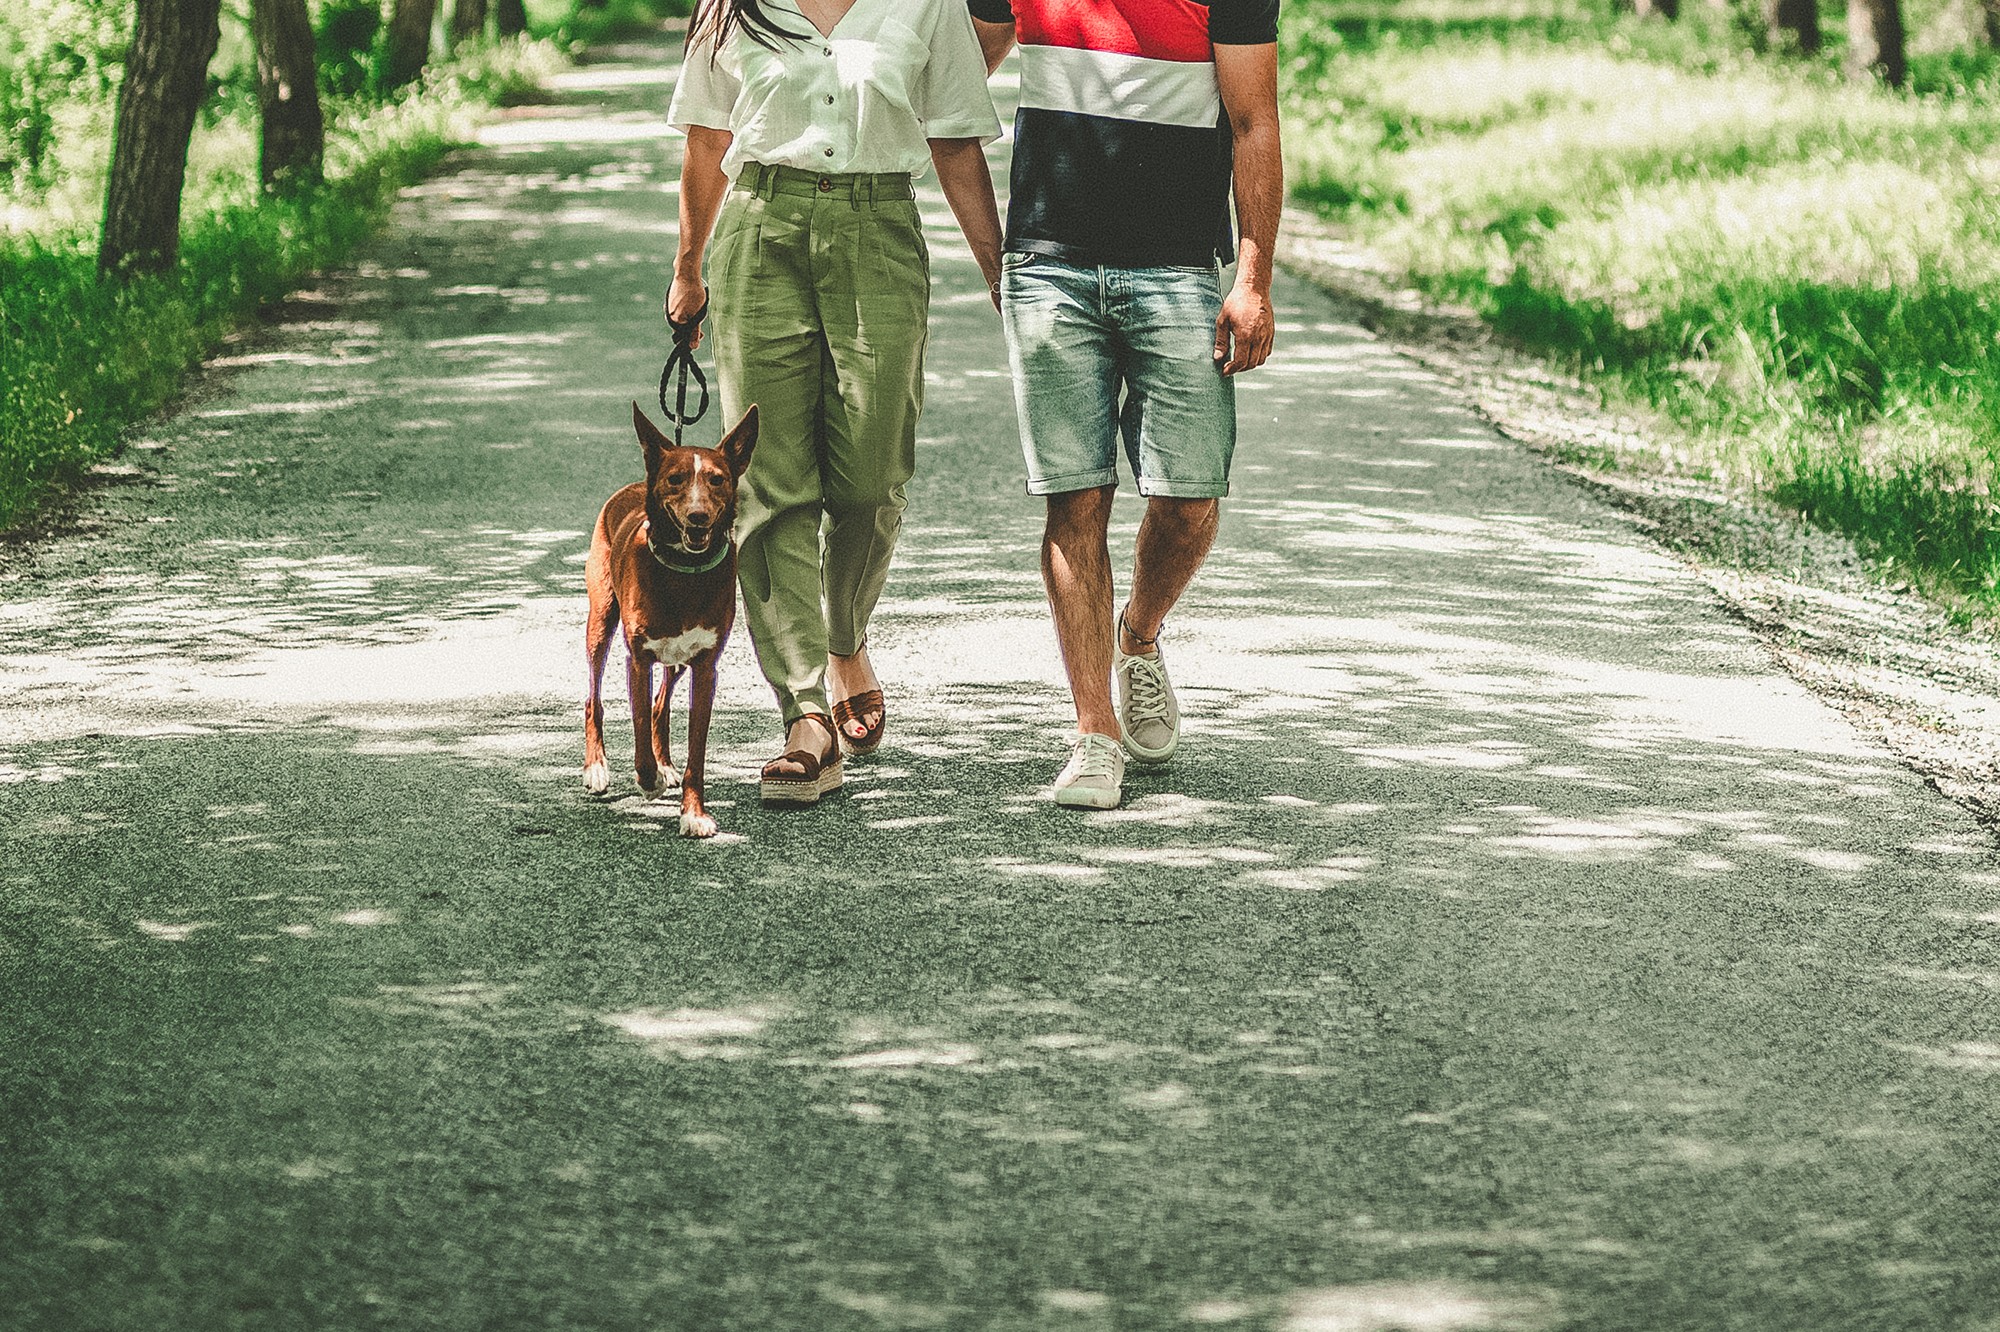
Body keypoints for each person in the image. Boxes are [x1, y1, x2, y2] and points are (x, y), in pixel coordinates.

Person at [666, 0, 1004, 806]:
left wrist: (1002, 271)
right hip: (761, 230)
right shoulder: (734, 8)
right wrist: (688, 267)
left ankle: (845, 636)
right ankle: (805, 712)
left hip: (878, 227)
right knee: (769, 485)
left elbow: (954, 139)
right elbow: (709, 142)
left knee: (872, 477)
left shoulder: (926, 4)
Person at [967, 0, 1283, 808]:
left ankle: (1137, 634)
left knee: (1189, 499)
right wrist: (995, 256)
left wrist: (1251, 281)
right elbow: (952, 77)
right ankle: (1094, 733)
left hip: (1176, 267)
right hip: (1049, 264)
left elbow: (1253, 121)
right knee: (1075, 496)